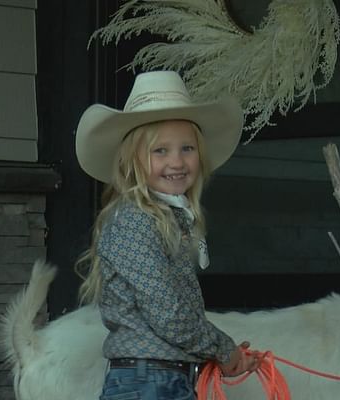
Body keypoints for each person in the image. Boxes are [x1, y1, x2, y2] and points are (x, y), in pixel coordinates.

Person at [74, 70, 259, 400]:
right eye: (160, 151)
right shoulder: (133, 219)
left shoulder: (168, 218)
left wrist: (224, 354)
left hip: (162, 379)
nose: (177, 161)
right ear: (133, 160)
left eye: (187, 148)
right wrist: (223, 349)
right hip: (148, 382)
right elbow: (170, 315)